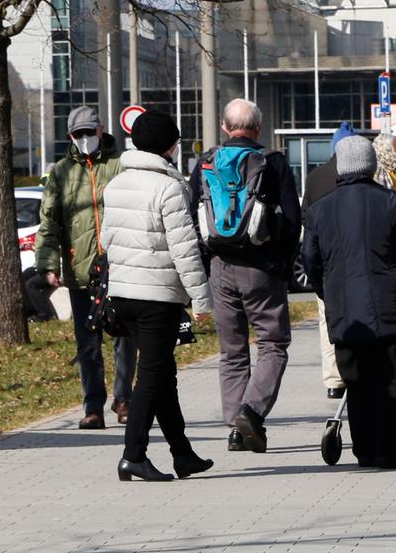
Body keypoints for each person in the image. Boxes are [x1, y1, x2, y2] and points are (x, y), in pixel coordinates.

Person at [305, 136, 396, 468]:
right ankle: (388, 449)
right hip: (392, 307)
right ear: (371, 165)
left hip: (344, 312)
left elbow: (310, 259)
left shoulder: (319, 210)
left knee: (357, 381)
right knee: (393, 380)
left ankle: (364, 448)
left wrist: (327, 292)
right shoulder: (393, 203)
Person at [99, 111, 213, 482]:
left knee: (163, 374)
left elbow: (106, 242)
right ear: (169, 146)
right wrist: (201, 299)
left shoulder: (115, 184)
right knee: (151, 375)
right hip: (157, 296)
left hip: (123, 294)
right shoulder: (169, 187)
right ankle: (133, 455)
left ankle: (183, 455)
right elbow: (184, 250)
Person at [188, 98, 301, 454]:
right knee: (272, 344)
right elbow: (292, 220)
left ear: (224, 127)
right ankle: (251, 411)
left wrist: (208, 265)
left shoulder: (206, 162)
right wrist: (282, 267)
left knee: (232, 352)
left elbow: (194, 213)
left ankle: (235, 430)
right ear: (259, 128)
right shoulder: (272, 162)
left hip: (221, 266)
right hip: (262, 268)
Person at [35, 105, 137, 429]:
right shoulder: (61, 173)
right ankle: (92, 406)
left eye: (89, 132)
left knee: (124, 338)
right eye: (78, 134)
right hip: (80, 273)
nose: (85, 139)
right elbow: (49, 222)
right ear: (70, 137)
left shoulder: (120, 166)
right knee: (87, 343)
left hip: (119, 268)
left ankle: (123, 401)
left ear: (101, 130)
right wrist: (48, 263)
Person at [302, 122, 357, 400]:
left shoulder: (315, 177)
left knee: (327, 323)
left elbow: (305, 217)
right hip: (356, 260)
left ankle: (335, 380)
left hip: (326, 261)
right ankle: (358, 371)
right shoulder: (362, 174)